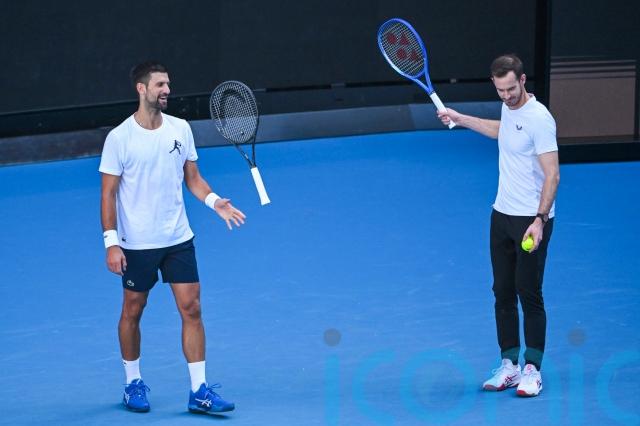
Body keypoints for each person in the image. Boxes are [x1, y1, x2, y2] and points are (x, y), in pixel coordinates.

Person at [99, 61, 246, 413]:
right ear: (142, 89)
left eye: (168, 84)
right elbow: (108, 194)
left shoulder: (181, 129)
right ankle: (132, 383)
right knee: (133, 310)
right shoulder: (119, 138)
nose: (167, 90)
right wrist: (111, 242)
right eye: (160, 85)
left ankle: (199, 391)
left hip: (178, 238)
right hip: (137, 244)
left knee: (192, 308)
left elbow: (192, 178)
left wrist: (214, 202)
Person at [437, 54, 559, 397]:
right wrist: (460, 118)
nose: (506, 96)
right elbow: (502, 131)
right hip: (501, 215)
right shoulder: (509, 108)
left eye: (510, 89)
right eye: (500, 90)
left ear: (523, 80)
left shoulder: (540, 119)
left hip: (530, 219)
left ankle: (533, 370)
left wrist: (540, 220)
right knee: (502, 292)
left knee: (528, 292)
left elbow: (553, 174)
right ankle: (509, 364)